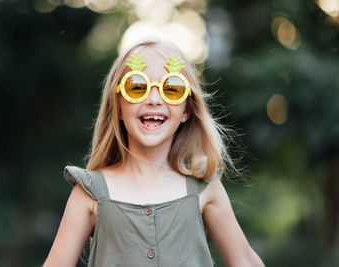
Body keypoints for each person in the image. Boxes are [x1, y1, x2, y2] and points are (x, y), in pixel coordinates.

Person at [43, 39, 265, 267]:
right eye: (137, 87)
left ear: (187, 110)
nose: (154, 100)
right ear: (117, 106)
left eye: (172, 89)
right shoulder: (89, 191)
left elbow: (246, 262)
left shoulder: (204, 186)